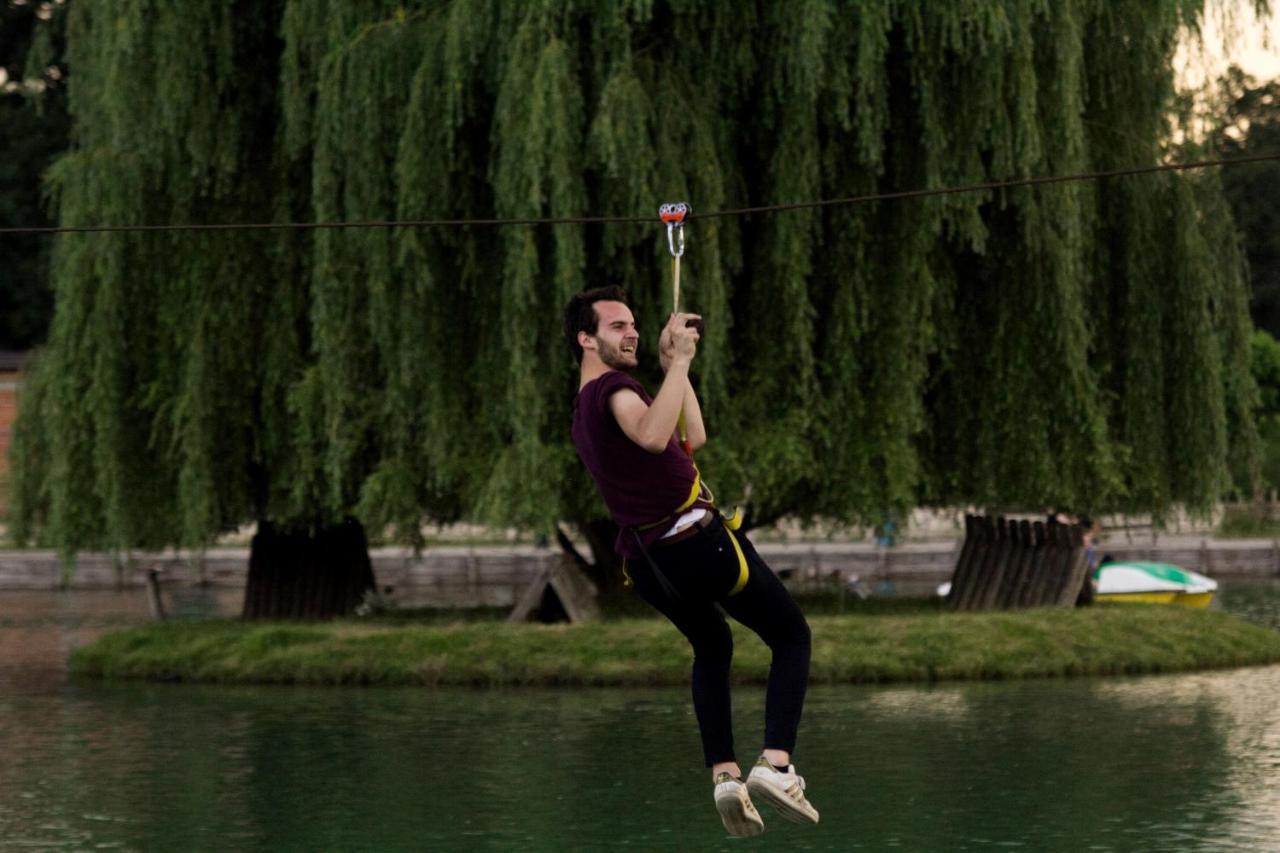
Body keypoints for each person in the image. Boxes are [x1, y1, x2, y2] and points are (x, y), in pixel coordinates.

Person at [564, 285, 817, 837]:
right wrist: (677, 362)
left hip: (652, 564)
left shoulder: (586, 409)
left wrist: (673, 370)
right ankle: (776, 766)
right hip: (698, 544)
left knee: (714, 645)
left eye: (633, 324)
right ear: (585, 339)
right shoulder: (614, 390)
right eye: (615, 327)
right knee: (792, 636)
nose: (630, 331)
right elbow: (656, 437)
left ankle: (725, 776)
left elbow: (689, 434)